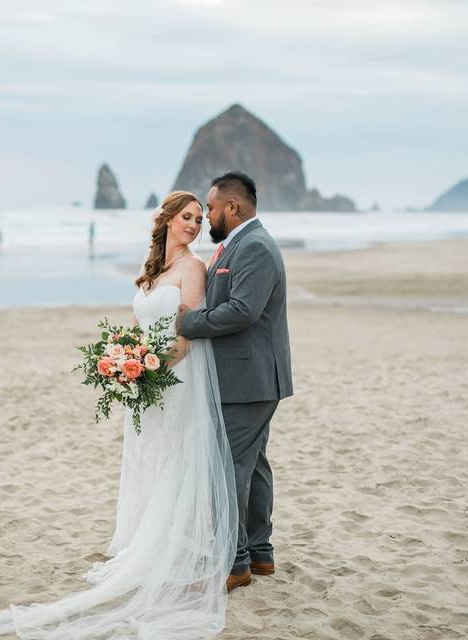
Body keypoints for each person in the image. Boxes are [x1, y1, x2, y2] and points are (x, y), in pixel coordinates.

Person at [0, 191, 238, 639]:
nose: (193, 225)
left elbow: (185, 337)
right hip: (148, 378)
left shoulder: (194, 268)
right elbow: (141, 327)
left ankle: (179, 552)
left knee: (176, 457)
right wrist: (123, 361)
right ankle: (147, 545)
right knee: (149, 457)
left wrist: (147, 370)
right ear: (166, 220)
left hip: (176, 378)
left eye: (198, 218)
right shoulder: (153, 269)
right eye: (186, 217)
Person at [176, 171, 293, 592]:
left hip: (251, 378)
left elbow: (243, 310)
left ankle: (235, 563)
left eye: (209, 208)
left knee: (228, 468)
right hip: (251, 376)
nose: (206, 216)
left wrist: (189, 323)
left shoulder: (255, 246)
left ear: (232, 207)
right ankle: (260, 554)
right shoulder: (238, 244)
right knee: (254, 465)